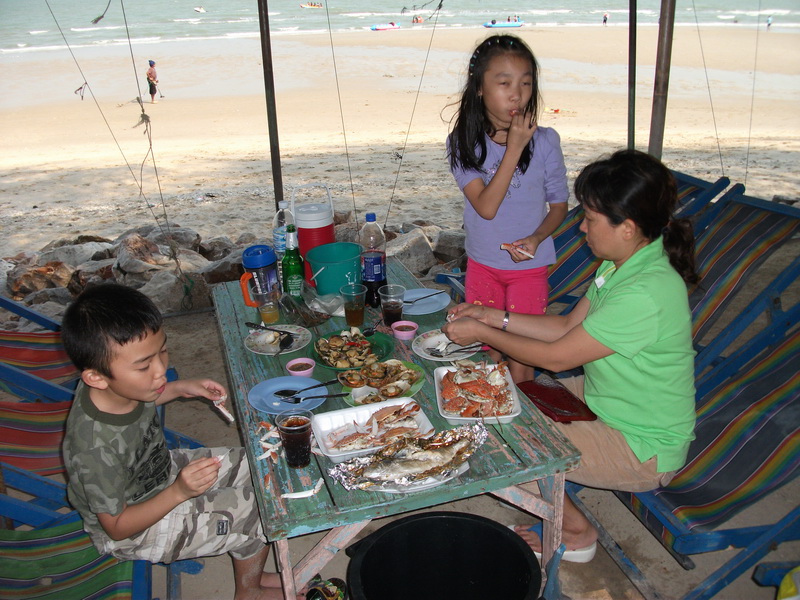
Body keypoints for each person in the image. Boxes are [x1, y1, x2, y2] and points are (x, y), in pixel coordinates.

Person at [443, 149, 697, 561]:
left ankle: (577, 532)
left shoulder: (645, 291)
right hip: (606, 399)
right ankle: (556, 488)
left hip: (641, 446)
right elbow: (564, 327)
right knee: (488, 398)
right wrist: (490, 315)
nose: (581, 227)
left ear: (627, 228)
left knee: (488, 444)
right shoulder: (621, 265)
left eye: (590, 219)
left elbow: (558, 357)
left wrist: (484, 332)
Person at [60, 283, 299, 600]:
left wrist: (181, 388)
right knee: (259, 507)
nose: (160, 371)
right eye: (144, 365)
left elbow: (146, 397)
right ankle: (249, 591)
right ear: (96, 377)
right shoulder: (93, 449)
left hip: (161, 471)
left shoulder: (118, 384)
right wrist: (179, 492)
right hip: (136, 529)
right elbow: (117, 527)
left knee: (261, 462)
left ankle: (252, 572)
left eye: (162, 351)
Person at [446, 34, 569, 384]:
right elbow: (486, 207)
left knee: (522, 356)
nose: (517, 95)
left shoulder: (545, 141)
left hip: (528, 267)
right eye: (504, 83)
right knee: (487, 349)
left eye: (526, 83)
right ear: (480, 88)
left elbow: (559, 205)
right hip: (482, 263)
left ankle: (525, 413)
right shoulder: (463, 143)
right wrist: (514, 148)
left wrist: (537, 237)